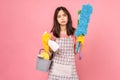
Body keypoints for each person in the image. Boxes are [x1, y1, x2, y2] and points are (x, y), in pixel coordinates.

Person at [48, 6, 79, 80]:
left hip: (69, 67)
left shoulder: (74, 33)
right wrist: (47, 47)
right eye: (59, 16)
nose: (62, 18)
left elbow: (75, 51)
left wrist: (80, 43)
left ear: (68, 17)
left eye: (64, 15)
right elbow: (50, 53)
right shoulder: (53, 34)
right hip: (56, 68)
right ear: (56, 19)